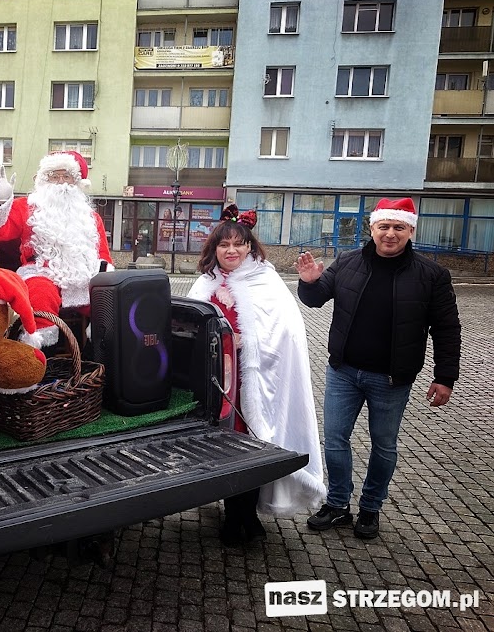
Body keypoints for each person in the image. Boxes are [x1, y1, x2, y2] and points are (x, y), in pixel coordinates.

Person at [297, 197, 461, 540]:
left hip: (391, 378)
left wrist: (445, 376)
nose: (390, 233)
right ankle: (338, 503)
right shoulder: (348, 262)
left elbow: (447, 328)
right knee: (335, 440)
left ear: (410, 230)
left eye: (398, 227)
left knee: (383, 445)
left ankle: (370, 508)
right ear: (372, 228)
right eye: (383, 226)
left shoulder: (432, 275)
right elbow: (315, 299)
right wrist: (310, 281)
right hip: (343, 371)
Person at [187, 205, 325, 545]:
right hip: (217, 385)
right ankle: (235, 513)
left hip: (254, 383)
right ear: (214, 249)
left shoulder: (266, 280)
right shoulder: (205, 283)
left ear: (250, 247)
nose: (231, 251)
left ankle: (244, 515)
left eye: (238, 244)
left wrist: (249, 343)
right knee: (222, 446)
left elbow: (285, 333)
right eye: (224, 245)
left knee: (250, 445)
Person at [0, 151, 113, 347]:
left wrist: (106, 275)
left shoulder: (90, 217)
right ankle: (41, 355)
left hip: (81, 275)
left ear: (76, 181)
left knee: (109, 296)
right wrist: (1, 202)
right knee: (40, 293)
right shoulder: (27, 206)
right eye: (54, 175)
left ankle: (99, 351)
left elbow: (102, 255)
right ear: (44, 179)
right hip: (41, 271)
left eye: (66, 176)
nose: (60, 181)